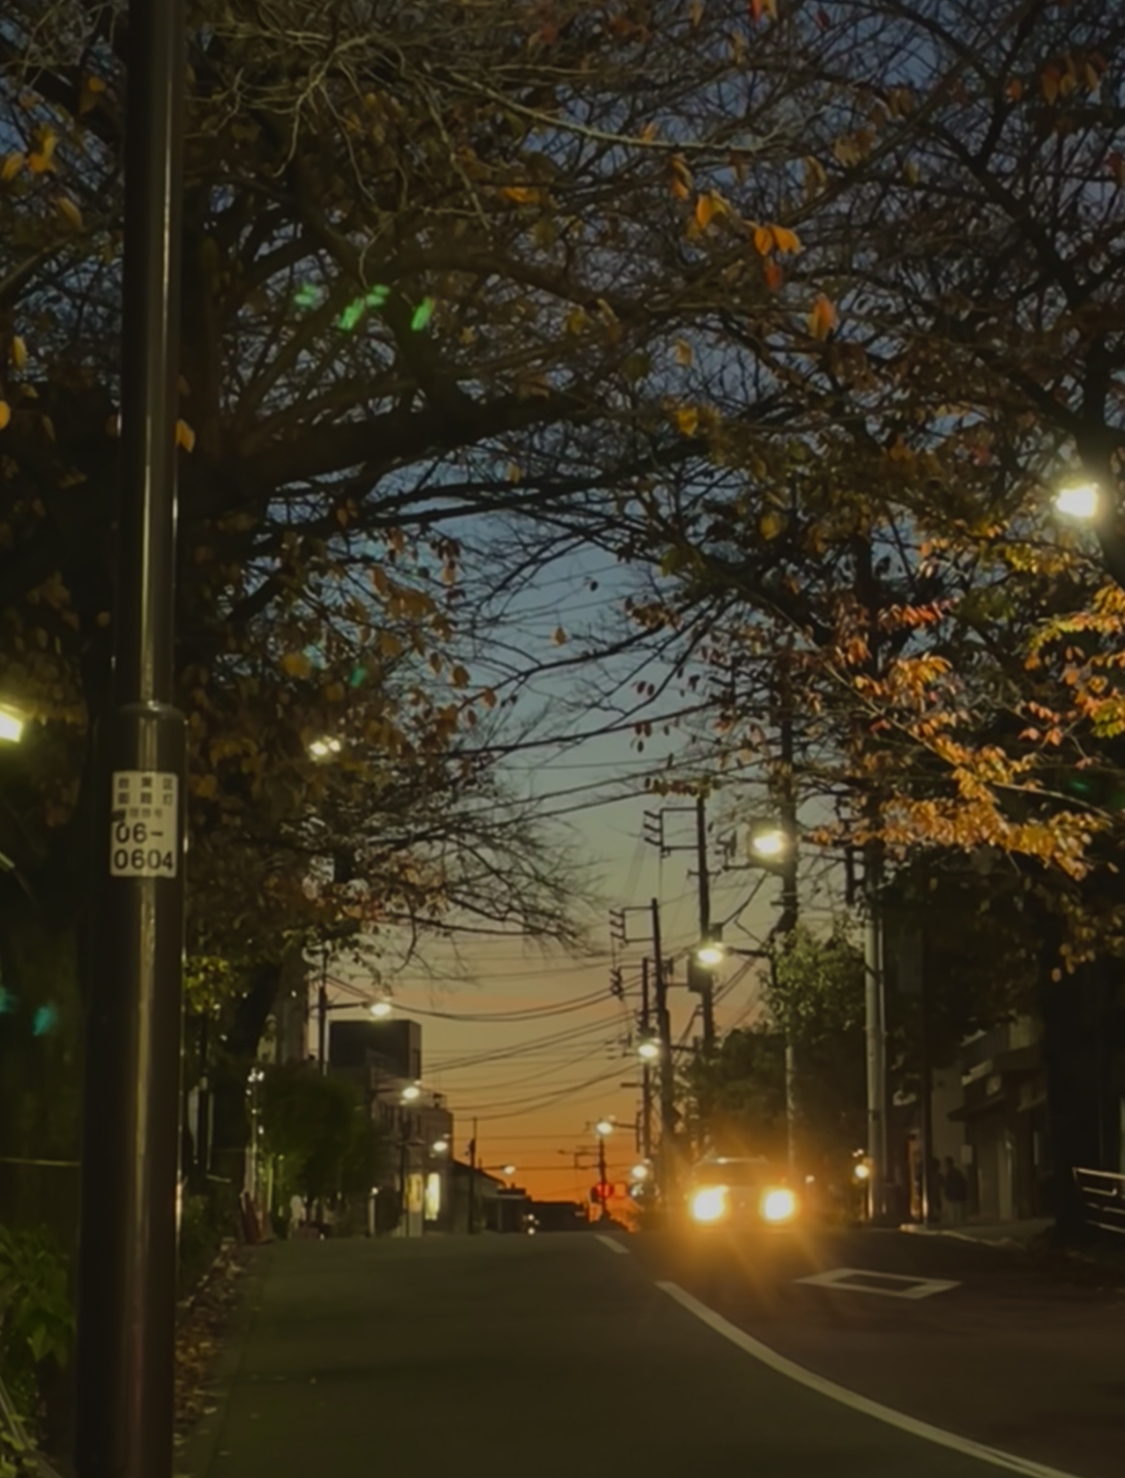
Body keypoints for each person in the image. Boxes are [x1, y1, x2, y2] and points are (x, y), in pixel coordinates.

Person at [943, 1156, 969, 1224]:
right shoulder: (957, 1172)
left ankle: (956, 1224)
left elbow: (948, 1185)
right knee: (958, 1213)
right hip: (958, 1196)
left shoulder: (950, 1173)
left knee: (954, 1213)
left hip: (954, 1196)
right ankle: (959, 1223)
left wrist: (947, 1194)